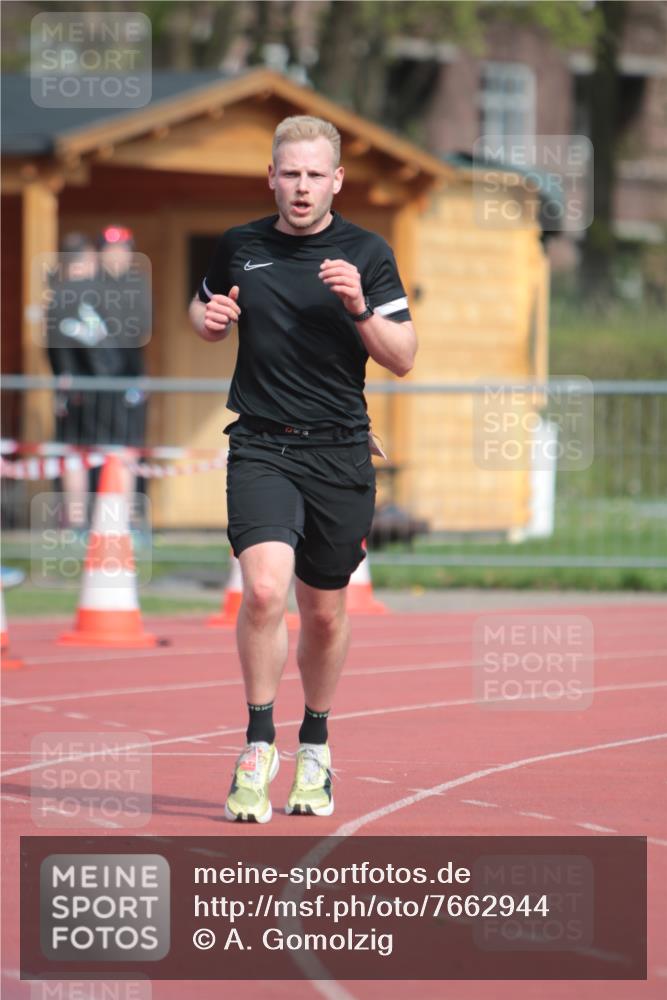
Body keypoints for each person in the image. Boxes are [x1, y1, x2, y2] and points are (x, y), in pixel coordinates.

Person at [189, 115, 416, 823]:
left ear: (336, 180)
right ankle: (258, 743)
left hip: (339, 452)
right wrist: (208, 320)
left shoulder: (366, 253)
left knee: (322, 612)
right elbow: (202, 305)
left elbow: (403, 356)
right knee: (262, 591)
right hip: (261, 444)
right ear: (271, 176)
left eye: (315, 174)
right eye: (290, 173)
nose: (301, 186)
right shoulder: (241, 245)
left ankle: (314, 743)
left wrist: (359, 307)